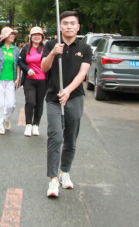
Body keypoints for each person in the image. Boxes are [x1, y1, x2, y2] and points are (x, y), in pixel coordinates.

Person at [41, 11, 92, 199]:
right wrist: (53, 53)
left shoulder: (85, 48)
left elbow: (82, 74)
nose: (69, 26)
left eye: (72, 23)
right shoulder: (51, 44)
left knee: (71, 138)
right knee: (55, 136)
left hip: (74, 97)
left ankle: (65, 172)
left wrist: (68, 90)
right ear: (60, 26)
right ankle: (53, 179)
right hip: (54, 98)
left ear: (78, 27)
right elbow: (44, 68)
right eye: (65, 23)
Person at [18, 27, 47, 137]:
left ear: (42, 36)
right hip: (29, 80)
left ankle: (36, 125)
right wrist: (27, 69)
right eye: (34, 34)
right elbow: (20, 62)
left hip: (43, 81)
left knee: (39, 104)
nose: (37, 36)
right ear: (30, 36)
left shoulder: (46, 48)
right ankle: (28, 124)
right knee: (30, 102)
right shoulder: (26, 48)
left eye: (39, 34)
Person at [0, 27, 21, 136]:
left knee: (11, 104)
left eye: (14, 34)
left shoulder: (16, 49)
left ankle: (7, 118)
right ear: (5, 36)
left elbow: (17, 64)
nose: (13, 36)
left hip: (11, 80)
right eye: (11, 34)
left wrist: (18, 77)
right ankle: (0, 125)